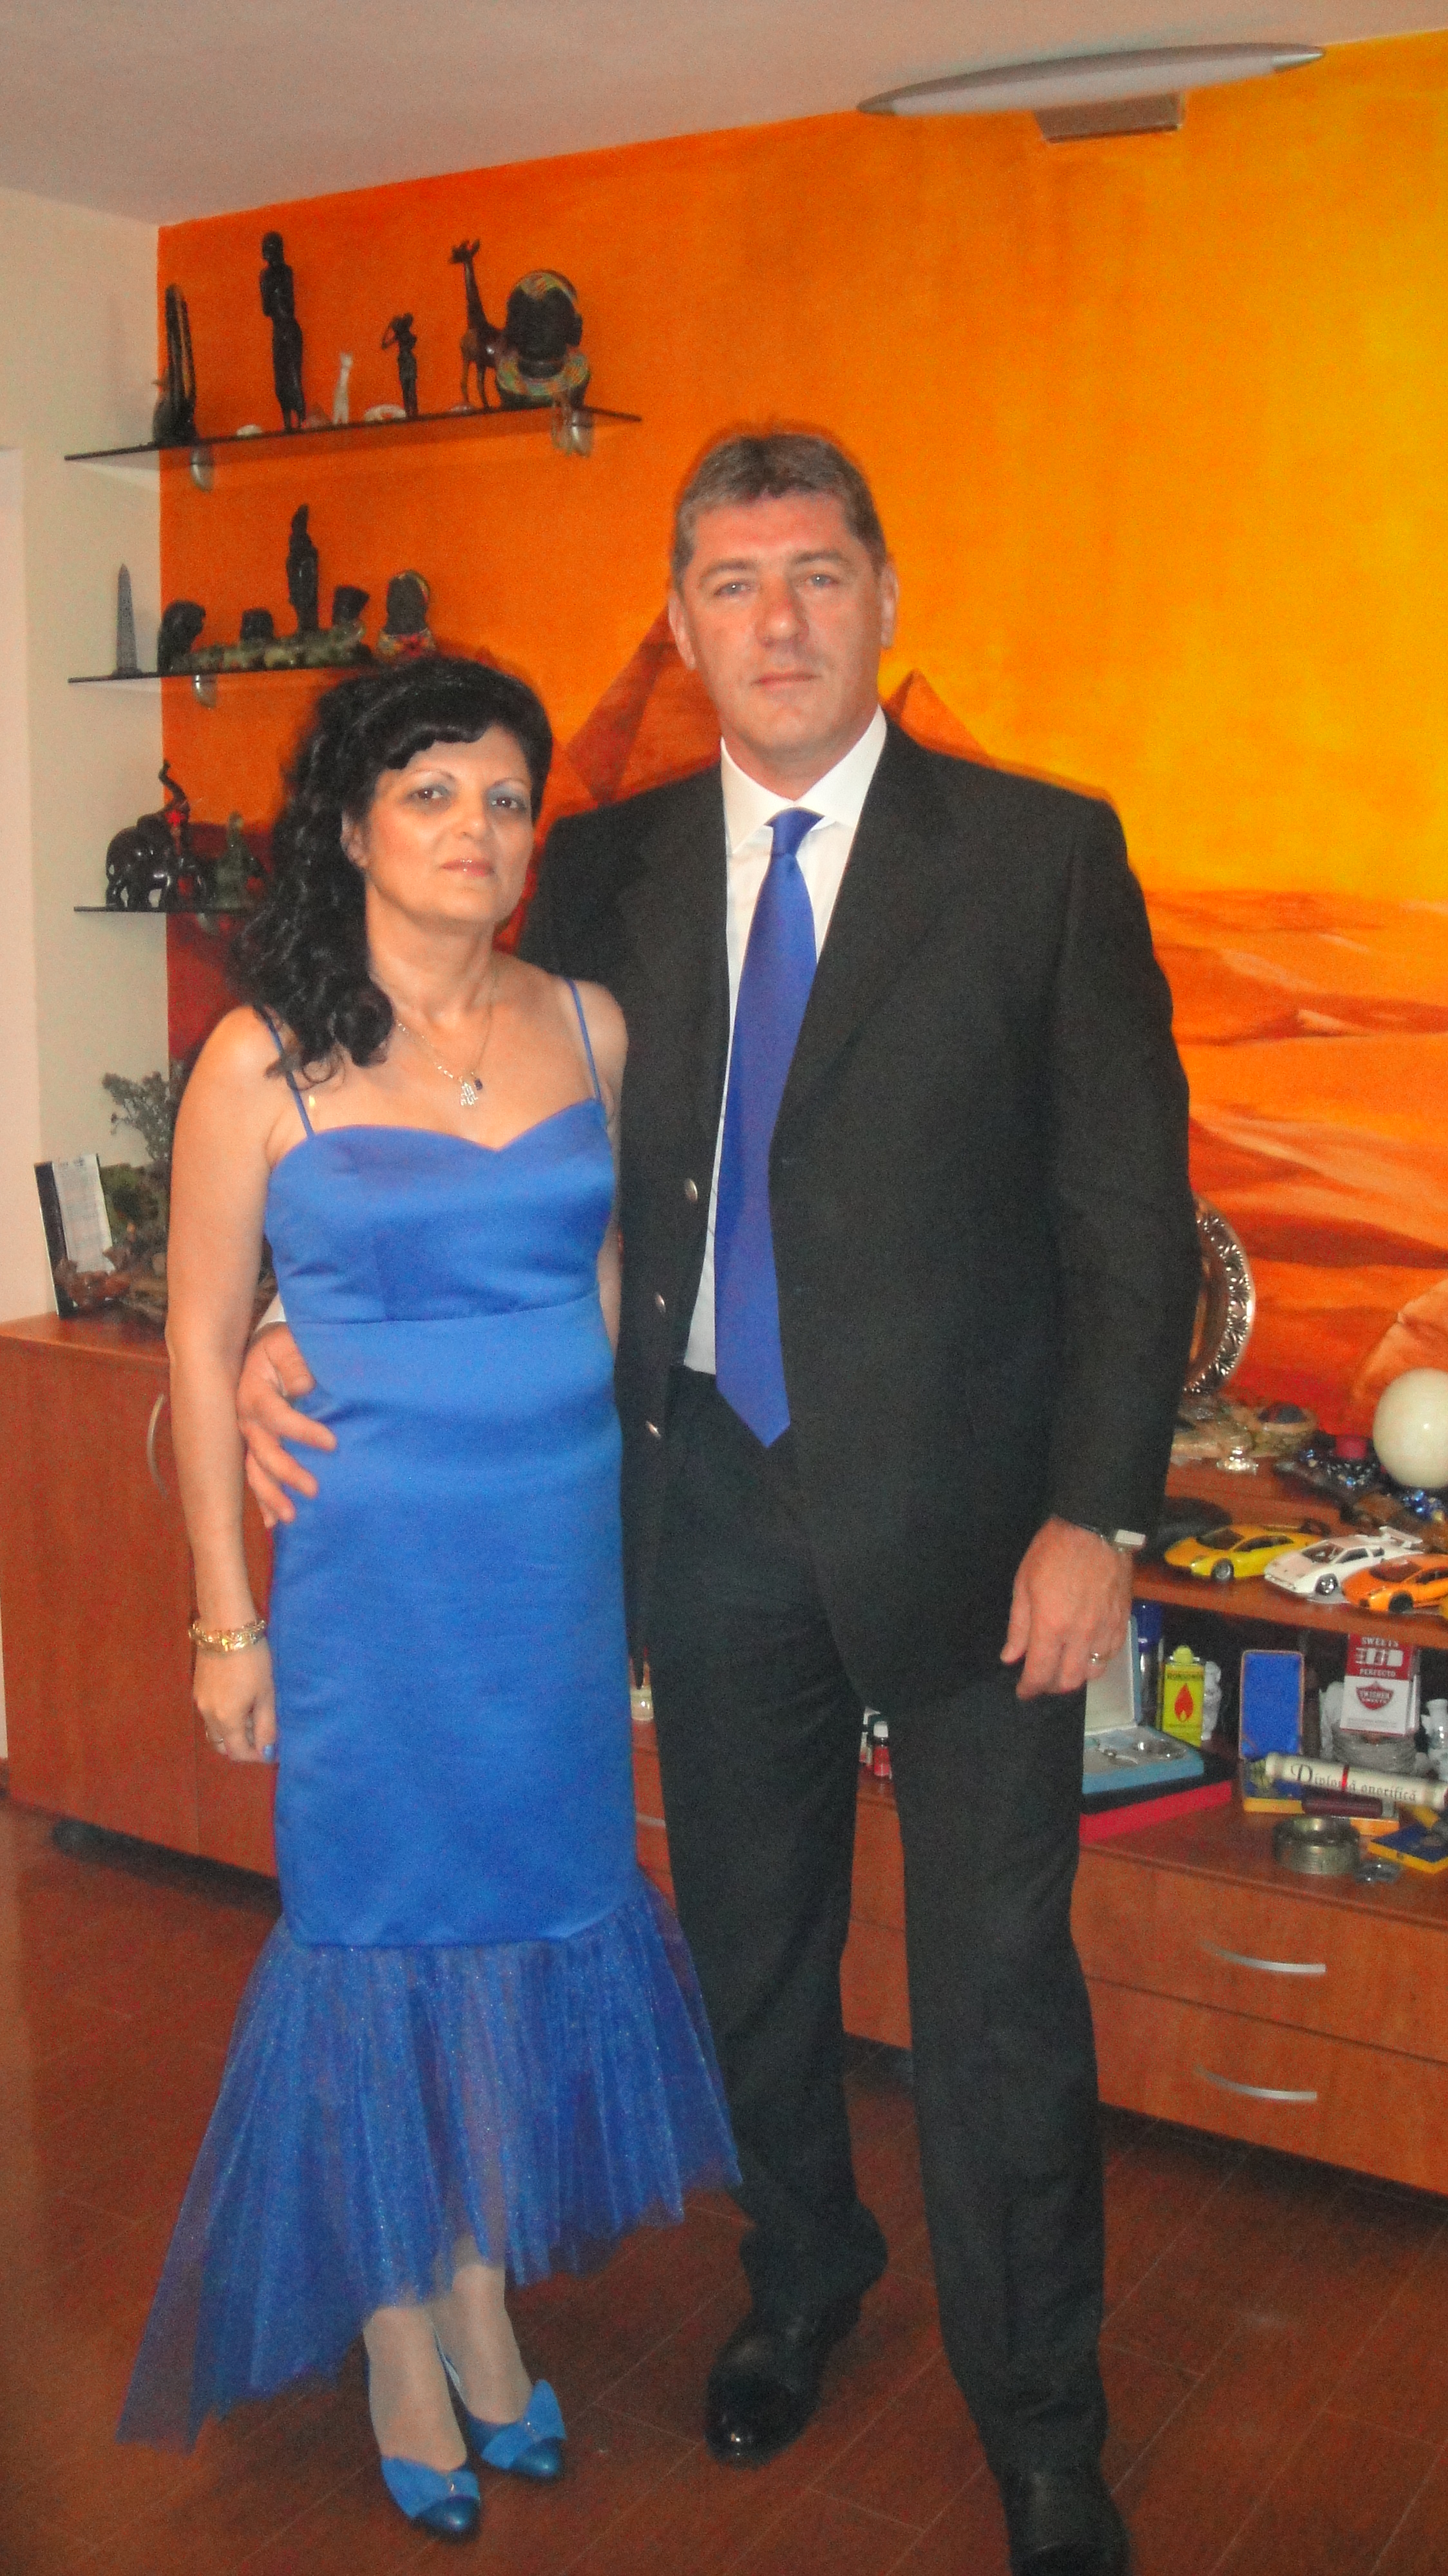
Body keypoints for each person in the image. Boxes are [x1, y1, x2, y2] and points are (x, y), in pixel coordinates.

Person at [239, 437, 1199, 2576]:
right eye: (735, 582)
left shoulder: (1039, 857)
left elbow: (1130, 1217)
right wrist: (271, 1323)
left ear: (884, 600)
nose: (778, 620)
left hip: (981, 1538)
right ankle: (803, 2274)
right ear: (679, 623)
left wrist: (1101, 1517)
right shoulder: (593, 870)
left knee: (997, 1994)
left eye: (818, 576)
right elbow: (425, 1092)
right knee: (751, 1958)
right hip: (699, 1515)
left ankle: (1044, 2424)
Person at [119, 656, 736, 2542]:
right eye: (430, 792)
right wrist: (227, 1619)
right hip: (373, 1581)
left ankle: (478, 2287)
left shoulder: (593, 1028)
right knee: (381, 1939)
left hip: (550, 1574)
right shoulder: (262, 1059)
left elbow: (621, 1296)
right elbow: (200, 1336)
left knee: (529, 1926)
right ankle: (398, 2322)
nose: (476, 828)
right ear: (355, 825)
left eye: (505, 796)